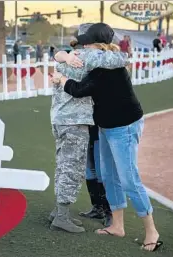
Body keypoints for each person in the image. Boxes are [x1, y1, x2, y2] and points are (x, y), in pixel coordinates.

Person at [51, 24, 162, 252]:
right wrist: (63, 56)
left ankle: (151, 230)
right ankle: (117, 225)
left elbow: (81, 89)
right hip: (105, 126)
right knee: (108, 176)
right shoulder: (97, 61)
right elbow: (72, 67)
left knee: (129, 179)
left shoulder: (108, 62)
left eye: (87, 43)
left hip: (124, 125)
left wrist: (62, 78)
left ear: (97, 45)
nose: (83, 48)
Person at [48, 23, 129, 233]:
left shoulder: (71, 54)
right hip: (74, 120)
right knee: (72, 168)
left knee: (62, 164)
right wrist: (116, 52)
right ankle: (62, 215)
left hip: (59, 118)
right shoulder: (89, 56)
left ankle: (57, 212)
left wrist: (63, 56)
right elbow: (122, 59)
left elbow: (57, 56)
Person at [79, 125, 112, 227]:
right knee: (89, 173)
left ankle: (109, 212)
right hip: (86, 133)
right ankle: (97, 208)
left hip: (101, 132)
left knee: (101, 173)